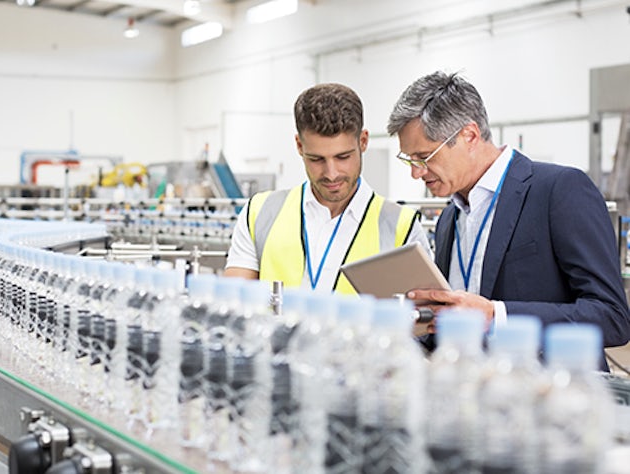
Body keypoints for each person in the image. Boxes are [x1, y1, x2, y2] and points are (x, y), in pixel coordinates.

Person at [387, 71, 630, 363]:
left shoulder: (559, 190)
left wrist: (496, 315)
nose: (416, 172)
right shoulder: (449, 218)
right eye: (409, 160)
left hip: (549, 395)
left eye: (424, 157)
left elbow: (612, 317)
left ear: (469, 135)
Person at [224, 83, 430, 294]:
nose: (331, 173)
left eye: (343, 157)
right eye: (316, 159)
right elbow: (233, 305)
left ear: (363, 141)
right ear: (299, 145)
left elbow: (419, 320)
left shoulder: (402, 228)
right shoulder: (260, 213)